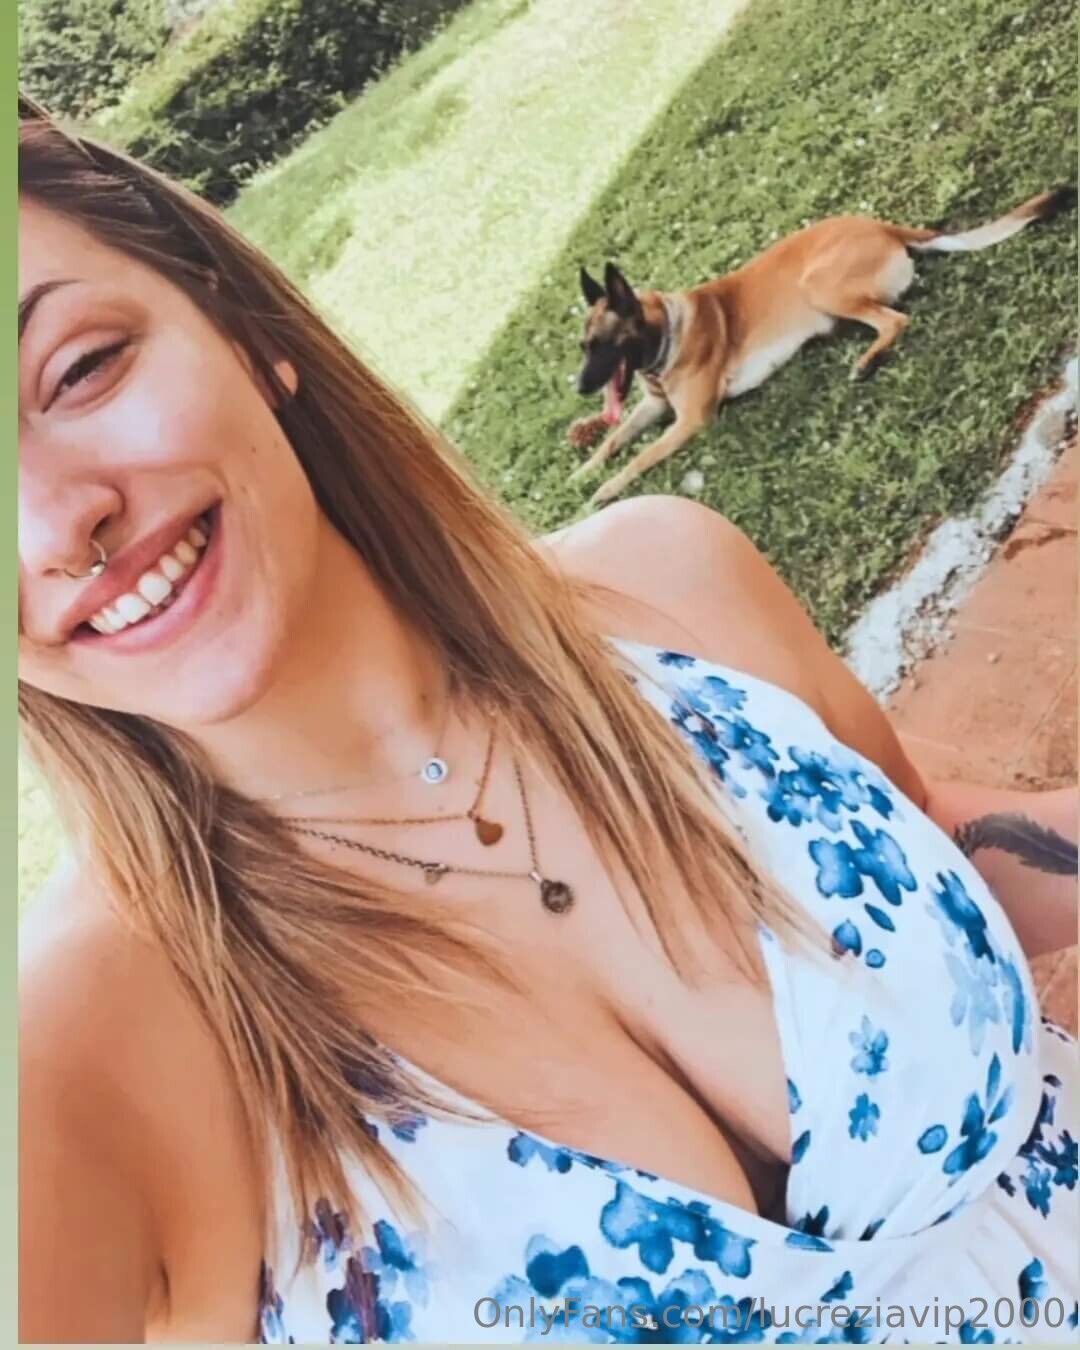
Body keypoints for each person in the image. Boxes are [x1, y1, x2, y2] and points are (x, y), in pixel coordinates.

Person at [17, 95, 1077, 1345]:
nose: (52, 525)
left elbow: (930, 850)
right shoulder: (85, 1055)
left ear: (243, 331)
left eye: (78, 369)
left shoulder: (667, 586)